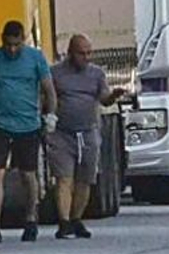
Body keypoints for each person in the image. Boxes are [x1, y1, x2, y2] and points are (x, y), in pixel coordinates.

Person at [0, 20, 56, 243]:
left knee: (28, 174)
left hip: (28, 125)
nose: (12, 49)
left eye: (16, 45)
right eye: (8, 45)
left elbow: (49, 90)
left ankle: (31, 218)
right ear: (2, 40)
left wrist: (50, 116)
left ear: (23, 40)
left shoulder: (35, 58)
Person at [48, 33, 129, 239]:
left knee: (85, 179)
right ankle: (64, 221)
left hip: (87, 132)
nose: (86, 57)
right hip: (62, 134)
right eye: (81, 53)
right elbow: (47, 97)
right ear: (70, 53)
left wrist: (114, 96)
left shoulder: (96, 74)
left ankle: (76, 218)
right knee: (64, 178)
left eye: (88, 53)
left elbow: (104, 100)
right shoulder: (55, 73)